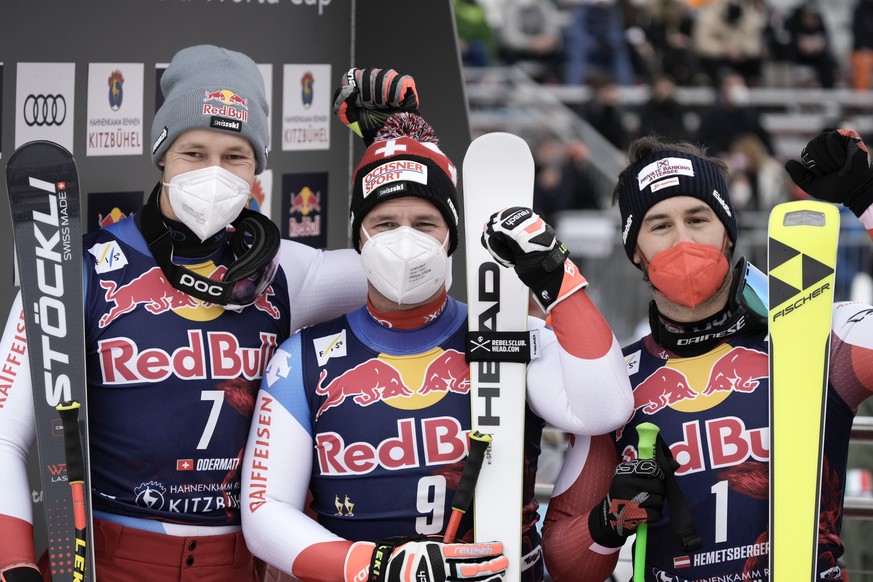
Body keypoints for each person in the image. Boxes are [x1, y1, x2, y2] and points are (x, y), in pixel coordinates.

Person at [0, 45, 388, 581]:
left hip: (239, 563)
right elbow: (5, 432)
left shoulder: (289, 272)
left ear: (256, 170)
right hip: (110, 561)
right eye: (193, 152)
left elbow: (408, 255)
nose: (213, 172)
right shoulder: (76, 269)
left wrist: (396, 145)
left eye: (235, 157)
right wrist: (13, 560)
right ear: (162, 155)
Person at [239, 77, 636, 582]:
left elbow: (605, 406)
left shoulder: (508, 333)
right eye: (384, 224)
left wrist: (560, 280)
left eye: (425, 224)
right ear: (357, 239)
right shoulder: (303, 359)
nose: (404, 239)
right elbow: (266, 514)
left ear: (450, 238)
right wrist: (380, 566)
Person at [541, 129, 873, 580]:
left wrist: (866, 201)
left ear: (728, 233)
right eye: (660, 225)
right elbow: (565, 562)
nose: (683, 241)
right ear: (635, 252)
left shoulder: (818, 332)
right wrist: (609, 519)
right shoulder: (614, 380)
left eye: (698, 219)